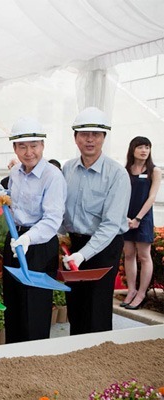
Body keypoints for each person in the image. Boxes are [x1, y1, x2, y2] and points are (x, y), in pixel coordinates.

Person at [62, 106, 131, 335]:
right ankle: (75, 356)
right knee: (75, 304)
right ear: (75, 138)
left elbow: (111, 225)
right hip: (75, 244)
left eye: (96, 134)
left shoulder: (117, 174)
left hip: (104, 246)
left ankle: (99, 358)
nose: (90, 140)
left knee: (96, 307)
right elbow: (61, 211)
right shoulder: (67, 169)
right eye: (84, 134)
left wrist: (83, 255)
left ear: (103, 138)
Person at [2, 117, 66, 343]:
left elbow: (52, 219)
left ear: (42, 146)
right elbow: (13, 203)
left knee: (35, 307)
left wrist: (28, 238)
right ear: (15, 148)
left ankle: (34, 360)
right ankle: (12, 357)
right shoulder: (16, 173)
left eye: (34, 146)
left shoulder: (53, 176)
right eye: (22, 146)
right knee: (14, 303)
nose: (29, 152)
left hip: (39, 245)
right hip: (14, 240)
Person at [121, 136, 161, 310]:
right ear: (133, 149)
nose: (144, 150)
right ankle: (131, 290)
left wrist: (138, 218)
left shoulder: (154, 171)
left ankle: (141, 293)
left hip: (143, 218)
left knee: (144, 256)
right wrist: (125, 218)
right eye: (140, 147)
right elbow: (120, 195)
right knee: (128, 254)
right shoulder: (126, 170)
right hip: (127, 218)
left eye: (147, 147)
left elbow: (152, 197)